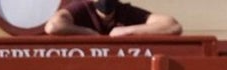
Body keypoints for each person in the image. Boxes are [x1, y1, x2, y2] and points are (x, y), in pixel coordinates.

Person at [44, 0, 182, 36]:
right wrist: (89, 33)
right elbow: (53, 26)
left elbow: (172, 25)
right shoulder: (82, 8)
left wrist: (127, 31)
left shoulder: (125, 12)